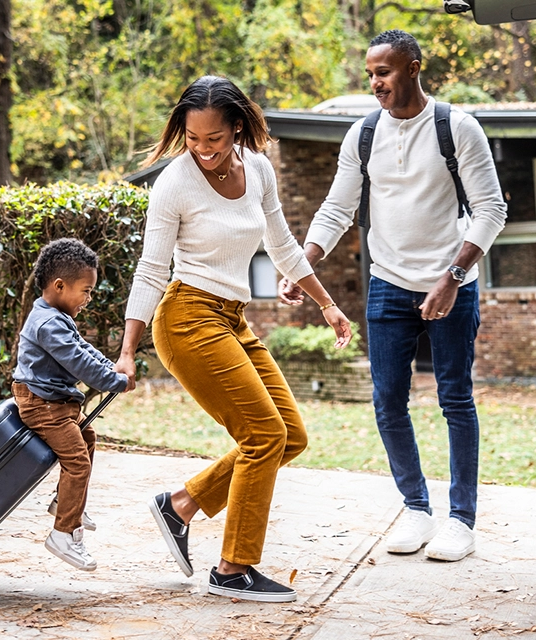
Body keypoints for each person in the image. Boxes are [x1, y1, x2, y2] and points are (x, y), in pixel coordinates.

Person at [114, 76, 352, 603]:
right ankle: (232, 570)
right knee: (263, 436)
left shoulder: (260, 169)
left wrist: (327, 303)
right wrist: (128, 352)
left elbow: (283, 244)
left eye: (214, 139)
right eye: (193, 139)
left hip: (231, 318)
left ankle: (180, 504)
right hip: (185, 318)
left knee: (290, 435)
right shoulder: (174, 183)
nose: (202, 149)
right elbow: (151, 271)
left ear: (237, 127)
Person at [279, 30, 507, 562]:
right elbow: (336, 211)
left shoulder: (457, 128)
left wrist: (452, 276)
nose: (375, 83)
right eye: (370, 75)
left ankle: (461, 520)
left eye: (383, 72)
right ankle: (416, 508)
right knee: (387, 402)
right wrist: (301, 262)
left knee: (455, 399)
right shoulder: (362, 136)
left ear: (413, 67)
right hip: (387, 285)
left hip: (452, 283)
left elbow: (491, 210)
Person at [13, 237, 134, 572]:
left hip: (54, 403)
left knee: (87, 438)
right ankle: (64, 533)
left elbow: (82, 349)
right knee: (77, 462)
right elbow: (77, 362)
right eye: (86, 290)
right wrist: (115, 381)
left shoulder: (54, 316)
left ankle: (67, 504)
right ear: (60, 285)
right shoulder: (49, 323)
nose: (89, 298)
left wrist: (112, 367)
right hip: (42, 406)